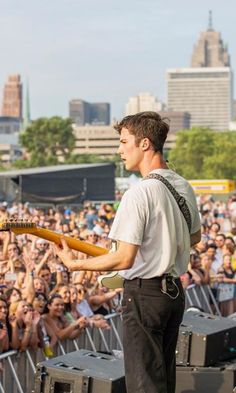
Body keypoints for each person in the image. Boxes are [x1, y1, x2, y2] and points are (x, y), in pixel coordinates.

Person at [54, 111, 201, 393]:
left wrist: (75, 265)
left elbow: (123, 258)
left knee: (144, 383)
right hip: (173, 294)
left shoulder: (139, 193)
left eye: (123, 142)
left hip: (145, 294)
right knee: (163, 380)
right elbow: (194, 236)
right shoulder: (183, 185)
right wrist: (163, 245)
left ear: (145, 143)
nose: (119, 150)